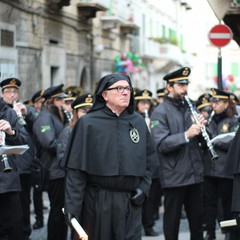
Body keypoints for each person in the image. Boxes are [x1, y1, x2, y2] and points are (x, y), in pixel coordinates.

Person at [62, 73, 158, 240]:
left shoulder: (138, 122)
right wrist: (72, 208)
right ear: (105, 95)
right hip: (97, 203)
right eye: (119, 88)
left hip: (130, 202)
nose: (126, 92)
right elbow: (75, 172)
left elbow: (150, 163)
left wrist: (143, 189)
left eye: (128, 88)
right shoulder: (88, 124)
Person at [150, 66, 206, 240]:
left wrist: (204, 130)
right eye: (180, 85)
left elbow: (202, 140)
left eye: (186, 84)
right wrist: (186, 135)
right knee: (172, 224)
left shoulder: (191, 108)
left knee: (197, 223)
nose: (184, 88)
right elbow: (160, 144)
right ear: (169, 87)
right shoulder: (159, 112)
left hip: (195, 174)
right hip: (174, 177)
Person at [0, 77, 36, 240]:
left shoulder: (8, 113)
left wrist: (11, 132)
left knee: (14, 225)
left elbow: (24, 138)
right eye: (8, 91)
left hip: (9, 179)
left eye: (15, 92)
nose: (12, 95)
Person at [203, 88, 239, 240]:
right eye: (213, 102)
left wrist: (215, 139)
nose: (214, 105)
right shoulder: (209, 120)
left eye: (217, 102)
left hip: (225, 170)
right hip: (209, 170)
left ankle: (227, 232)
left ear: (226, 103)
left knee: (226, 206)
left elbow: (233, 142)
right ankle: (210, 232)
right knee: (209, 204)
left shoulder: (234, 120)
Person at [33, 84, 68, 240]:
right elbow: (50, 143)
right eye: (60, 99)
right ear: (51, 101)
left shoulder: (55, 115)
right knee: (56, 211)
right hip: (53, 171)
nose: (63, 103)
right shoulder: (44, 118)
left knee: (61, 211)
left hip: (60, 169)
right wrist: (70, 146)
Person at [134, 89, 161, 236]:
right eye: (142, 102)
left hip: (151, 163)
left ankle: (149, 225)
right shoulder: (133, 118)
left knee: (151, 197)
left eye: (147, 103)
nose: (145, 105)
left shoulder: (154, 117)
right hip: (138, 163)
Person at [30, 89, 46, 230]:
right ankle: (39, 218)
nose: (42, 104)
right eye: (40, 102)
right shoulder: (33, 116)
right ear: (34, 104)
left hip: (46, 159)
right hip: (35, 159)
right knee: (37, 192)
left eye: (44, 102)